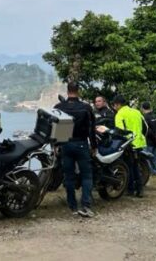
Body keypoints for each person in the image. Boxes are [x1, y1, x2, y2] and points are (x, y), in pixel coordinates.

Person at [54, 82, 96, 218]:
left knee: (69, 176)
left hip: (65, 144)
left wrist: (56, 145)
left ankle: (72, 205)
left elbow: (55, 129)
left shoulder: (59, 107)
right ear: (78, 91)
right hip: (81, 144)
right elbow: (91, 129)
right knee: (86, 175)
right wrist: (94, 146)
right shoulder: (86, 108)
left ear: (67, 91)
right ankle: (85, 205)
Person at [112, 95, 145, 197]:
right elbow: (145, 127)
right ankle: (139, 190)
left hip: (128, 144)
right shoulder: (137, 112)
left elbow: (119, 131)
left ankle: (130, 189)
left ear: (118, 104)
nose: (114, 107)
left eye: (114, 105)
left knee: (128, 167)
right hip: (139, 143)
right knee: (135, 166)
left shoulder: (120, 114)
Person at [141, 101, 156, 175]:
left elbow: (148, 131)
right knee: (155, 157)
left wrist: (154, 138)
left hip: (149, 141)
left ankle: (152, 172)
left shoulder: (144, 118)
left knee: (147, 158)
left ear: (143, 108)